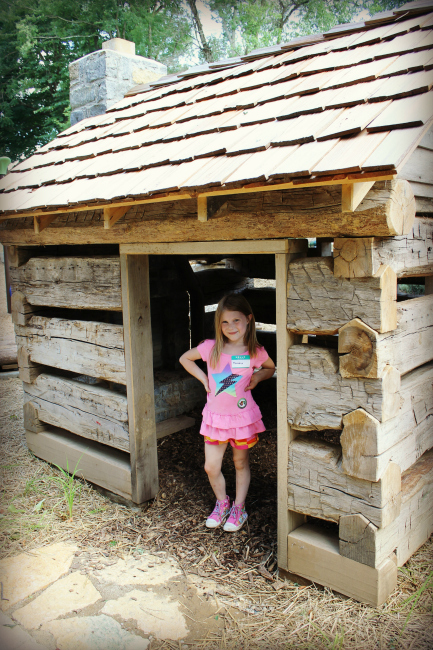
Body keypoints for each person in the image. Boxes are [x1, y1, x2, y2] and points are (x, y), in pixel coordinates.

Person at [179, 293, 275, 532]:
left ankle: (239, 508)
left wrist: (257, 376)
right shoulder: (210, 347)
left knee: (240, 462)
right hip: (215, 418)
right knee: (211, 466)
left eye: (236, 320)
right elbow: (185, 359)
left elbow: (270, 368)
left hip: (241, 419)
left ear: (249, 320)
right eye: (224, 322)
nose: (231, 327)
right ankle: (222, 503)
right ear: (218, 324)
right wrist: (203, 379)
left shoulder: (255, 351)